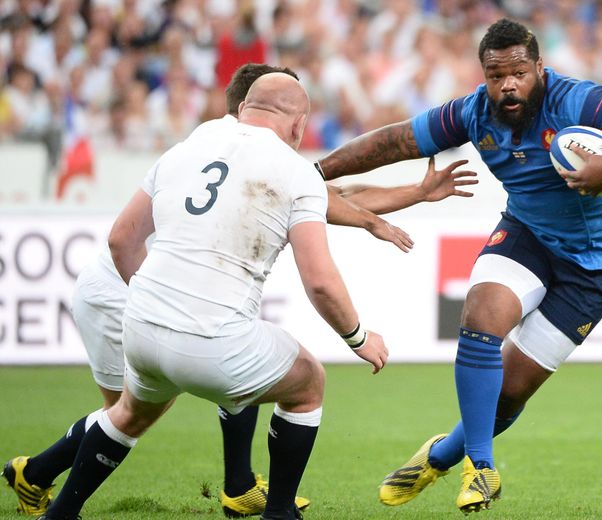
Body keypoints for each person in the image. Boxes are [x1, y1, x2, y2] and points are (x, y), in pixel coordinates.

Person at [2, 62, 474, 518]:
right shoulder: (284, 167)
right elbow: (320, 274)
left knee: (137, 410)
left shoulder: (197, 142)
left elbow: (123, 236)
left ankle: (222, 488)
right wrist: (357, 337)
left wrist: (405, 197)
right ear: (297, 122)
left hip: (142, 307)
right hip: (117, 291)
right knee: (292, 378)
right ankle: (272, 508)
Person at [314, 18, 602, 513]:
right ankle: (481, 468)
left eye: (519, 73)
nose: (507, 85)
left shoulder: (578, 101)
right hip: (527, 235)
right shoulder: (471, 113)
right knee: (481, 314)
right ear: (483, 74)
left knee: (509, 392)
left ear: (539, 70)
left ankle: (441, 455)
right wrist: (315, 172)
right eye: (495, 75)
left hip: (596, 266)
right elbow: (395, 142)